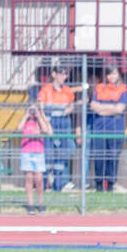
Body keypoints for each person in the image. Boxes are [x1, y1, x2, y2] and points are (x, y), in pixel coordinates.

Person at [38, 62, 78, 192]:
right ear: (54, 74)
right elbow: (41, 108)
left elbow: (71, 106)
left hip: (63, 124)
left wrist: (67, 111)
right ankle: (44, 185)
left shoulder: (67, 90)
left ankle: (58, 186)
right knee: (48, 155)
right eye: (61, 73)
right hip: (50, 124)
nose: (64, 76)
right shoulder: (46, 89)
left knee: (62, 156)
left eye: (66, 74)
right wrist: (46, 125)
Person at [90, 65, 127, 192]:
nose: (111, 77)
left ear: (118, 74)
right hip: (99, 127)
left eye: (114, 73)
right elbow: (93, 105)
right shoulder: (100, 88)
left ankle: (111, 184)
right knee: (99, 155)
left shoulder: (123, 89)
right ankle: (99, 184)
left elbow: (120, 109)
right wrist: (112, 109)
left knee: (113, 155)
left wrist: (102, 109)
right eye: (109, 74)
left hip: (115, 127)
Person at [19, 101, 53, 214]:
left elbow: (47, 131)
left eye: (34, 110)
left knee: (39, 178)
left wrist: (39, 116)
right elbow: (18, 129)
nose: (33, 113)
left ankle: (40, 202)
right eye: (31, 110)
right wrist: (26, 115)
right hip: (27, 152)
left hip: (38, 153)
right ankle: (30, 204)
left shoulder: (39, 122)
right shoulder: (26, 122)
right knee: (29, 178)